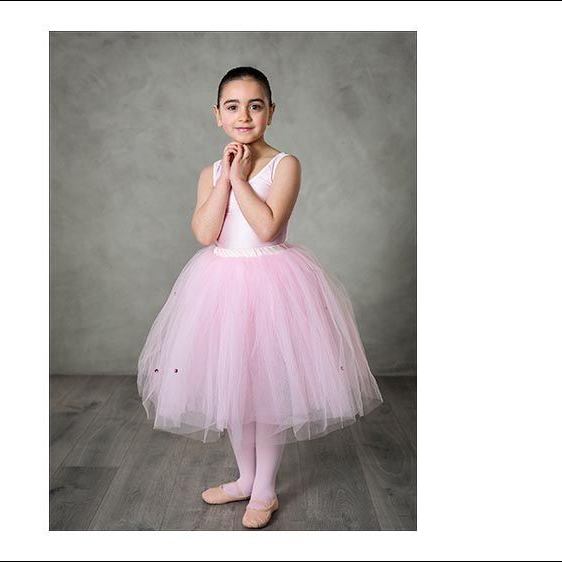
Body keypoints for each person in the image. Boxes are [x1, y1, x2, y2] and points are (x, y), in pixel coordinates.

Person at [137, 66, 383, 529]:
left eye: (255, 106)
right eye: (233, 107)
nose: (244, 116)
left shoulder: (284, 164)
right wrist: (225, 178)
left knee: (265, 389)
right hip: (220, 286)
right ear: (217, 115)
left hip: (272, 287)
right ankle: (245, 479)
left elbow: (268, 227)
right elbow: (205, 233)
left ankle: (266, 489)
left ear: (271, 111)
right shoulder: (211, 172)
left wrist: (241, 178)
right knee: (234, 386)